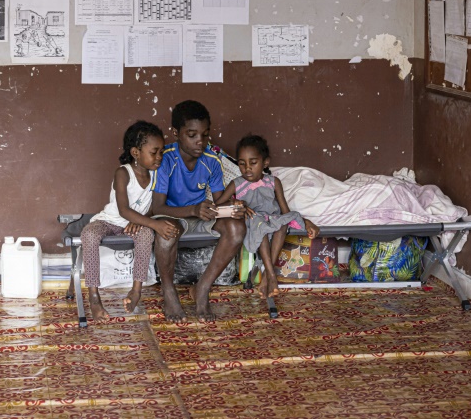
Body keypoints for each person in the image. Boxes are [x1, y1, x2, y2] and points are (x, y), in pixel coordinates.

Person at [151, 100, 246, 322]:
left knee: (237, 228)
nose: (200, 141)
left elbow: (218, 200)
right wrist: (193, 209)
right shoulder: (166, 159)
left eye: (205, 135)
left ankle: (202, 287)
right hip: (173, 216)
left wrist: (233, 209)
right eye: (192, 135)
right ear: (176, 133)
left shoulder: (212, 161)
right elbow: (157, 207)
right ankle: (168, 291)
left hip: (200, 215)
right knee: (166, 233)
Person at [80, 121, 180, 321]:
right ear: (136, 152)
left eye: (161, 152)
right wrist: (152, 223)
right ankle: (93, 295)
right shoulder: (123, 173)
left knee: (146, 235)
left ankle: (136, 291)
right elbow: (124, 210)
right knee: (89, 234)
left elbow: (153, 207)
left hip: (135, 224)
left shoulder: (157, 174)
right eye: (154, 152)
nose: (159, 157)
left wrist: (144, 222)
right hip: (110, 221)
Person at [215, 134, 319, 299]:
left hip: (272, 219)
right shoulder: (237, 183)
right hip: (253, 221)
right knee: (259, 224)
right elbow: (218, 204)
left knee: (283, 222)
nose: (247, 168)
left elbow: (285, 210)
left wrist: (305, 222)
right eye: (242, 164)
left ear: (265, 162)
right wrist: (235, 202)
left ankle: (266, 274)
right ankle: (271, 275)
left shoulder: (273, 182)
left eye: (253, 163)